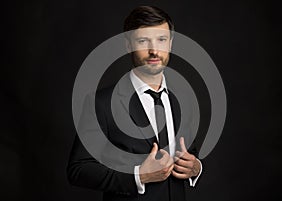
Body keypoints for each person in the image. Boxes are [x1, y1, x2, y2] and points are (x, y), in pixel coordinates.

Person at [67, 5, 202, 201]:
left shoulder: (184, 99)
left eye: (161, 40)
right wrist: (139, 176)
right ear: (128, 45)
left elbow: (191, 154)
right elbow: (78, 170)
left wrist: (196, 167)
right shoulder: (101, 103)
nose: (154, 51)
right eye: (143, 41)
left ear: (171, 43)